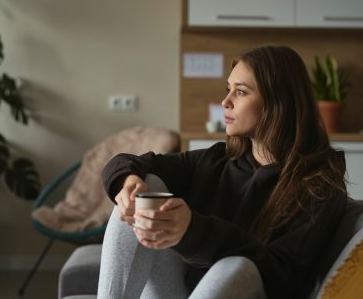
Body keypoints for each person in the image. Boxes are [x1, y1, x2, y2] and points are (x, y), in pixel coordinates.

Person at [97, 45, 347, 299]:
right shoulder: (216, 159)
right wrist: (128, 182)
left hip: (248, 291)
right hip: (182, 292)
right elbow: (126, 162)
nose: (225, 102)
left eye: (240, 92)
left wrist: (192, 230)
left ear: (278, 102)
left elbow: (282, 275)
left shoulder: (318, 183)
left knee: (238, 267)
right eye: (228, 90)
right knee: (143, 188)